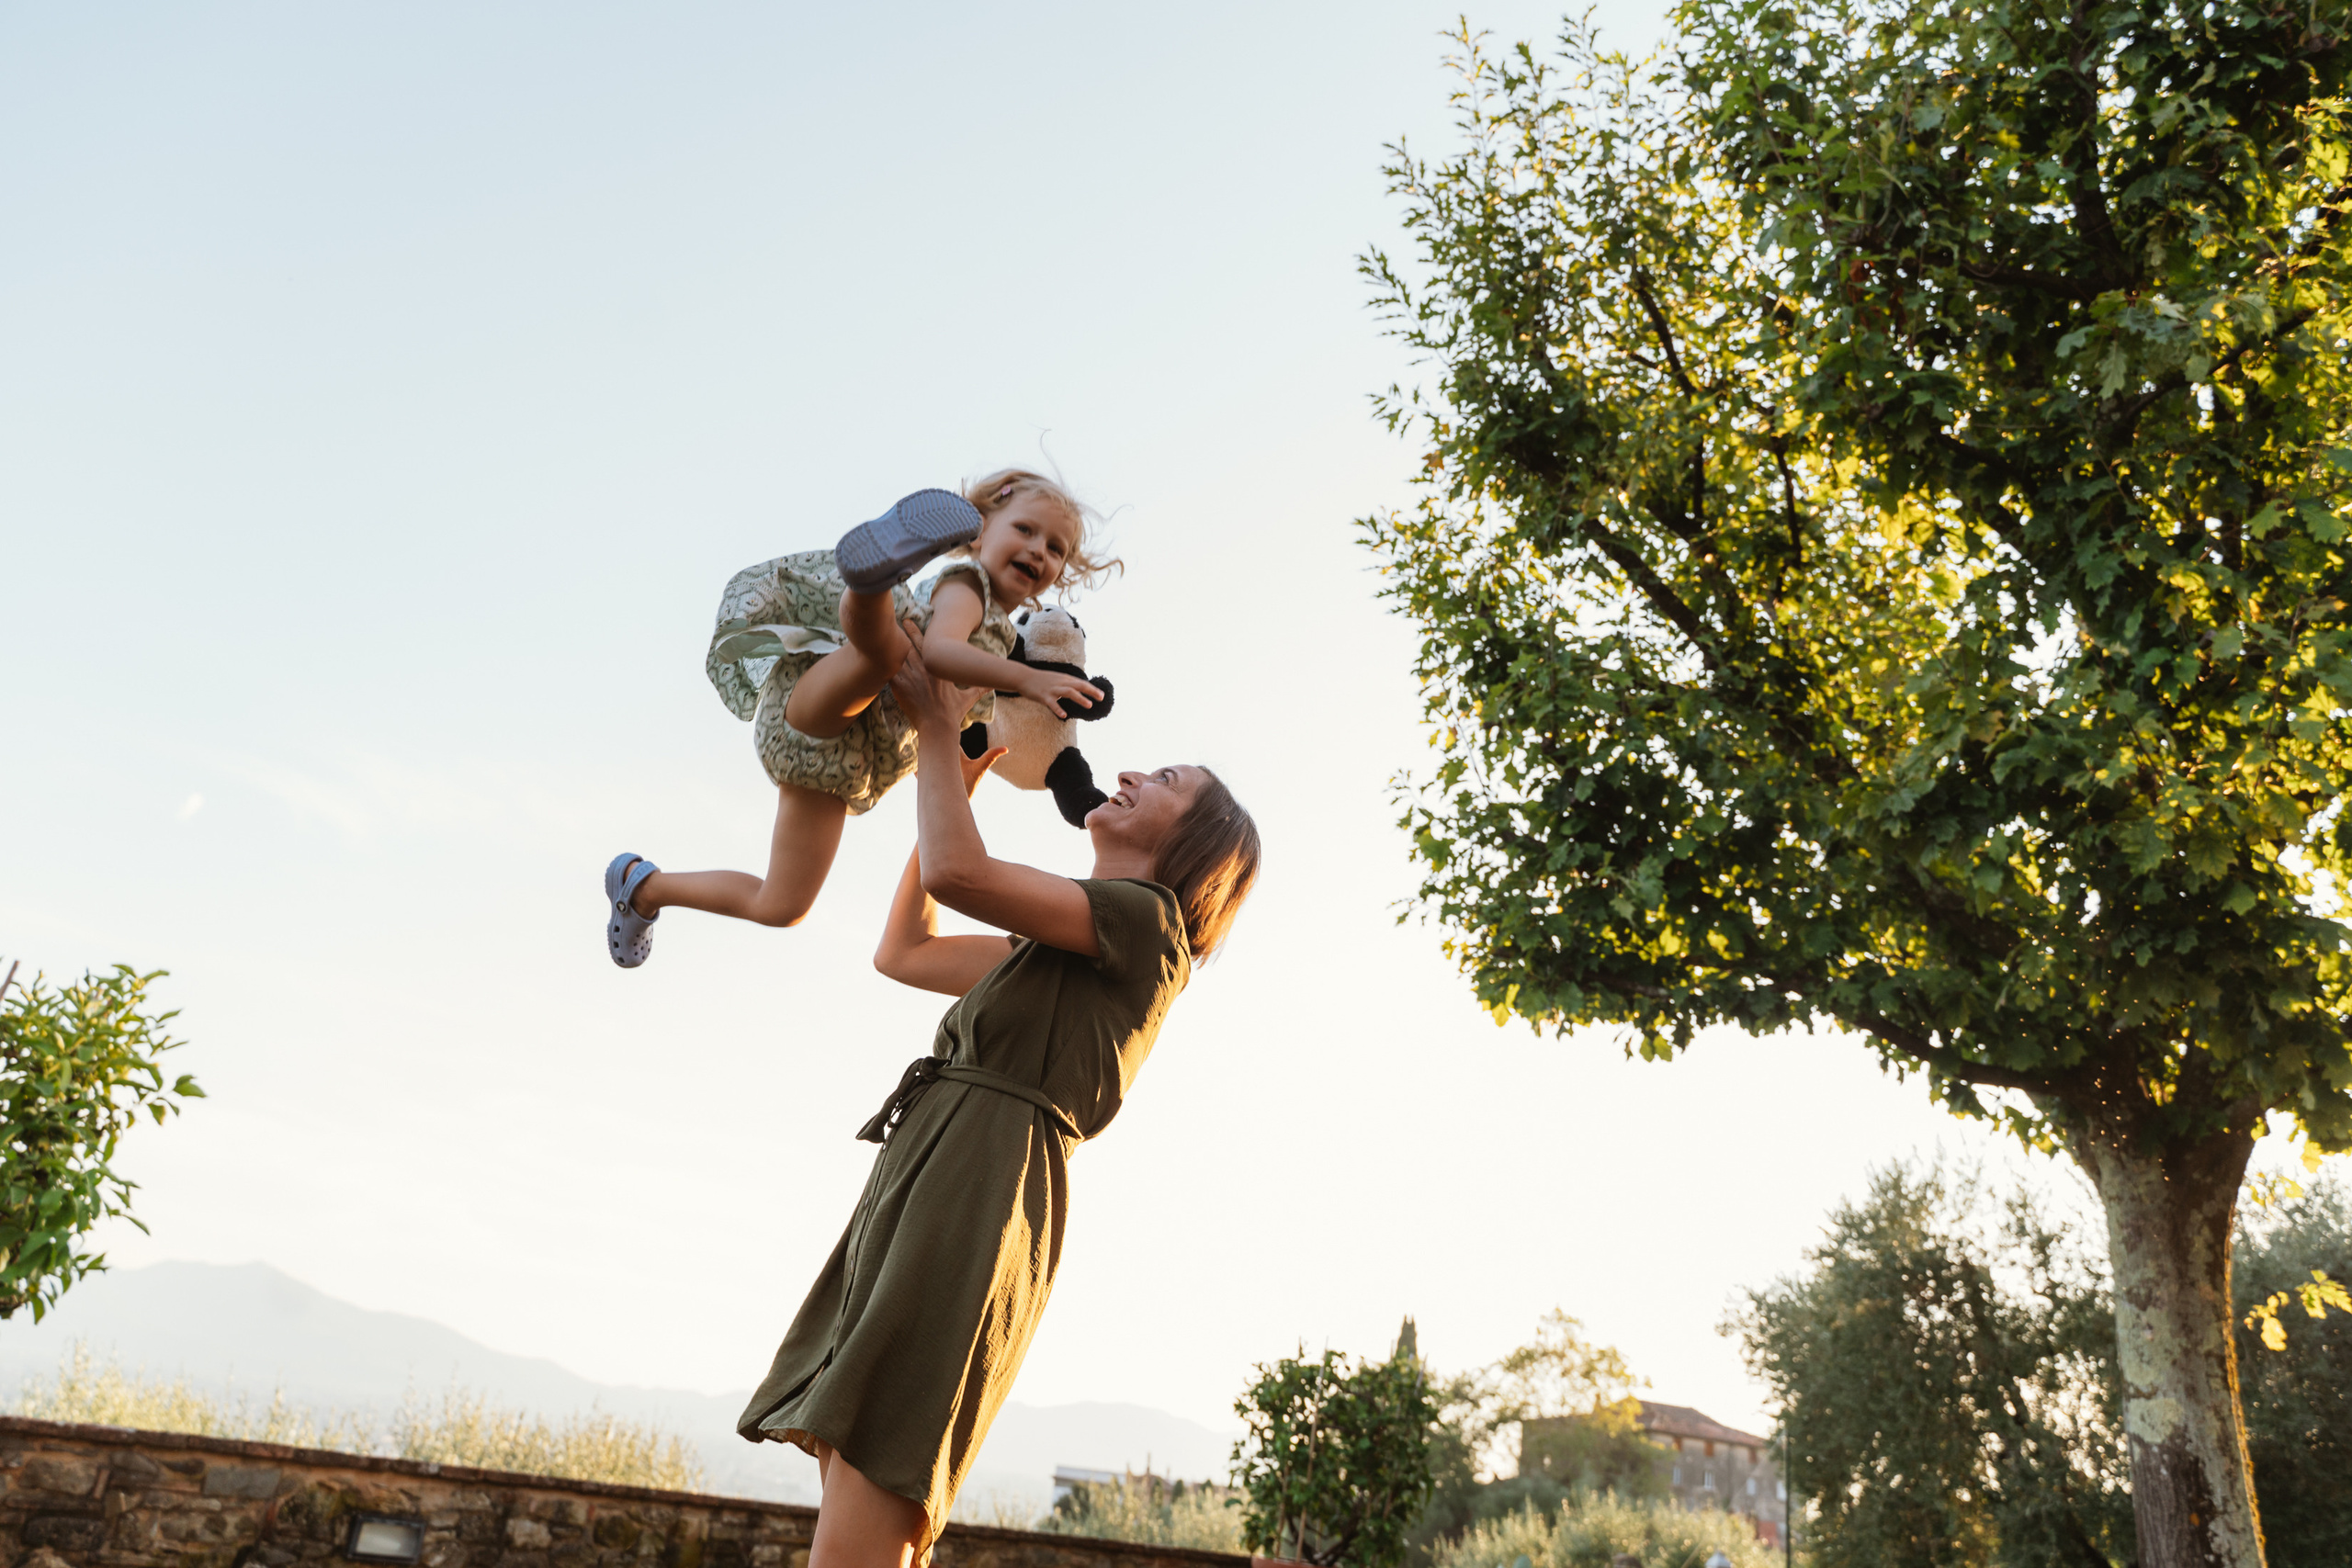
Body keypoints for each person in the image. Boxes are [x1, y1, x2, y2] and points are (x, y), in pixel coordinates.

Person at [735, 641, 1261, 1568]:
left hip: (979, 1186)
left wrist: (939, 731)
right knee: (861, 1461)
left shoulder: (1146, 925)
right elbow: (905, 948)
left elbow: (959, 875)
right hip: (937, 1169)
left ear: (1197, 844)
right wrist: (959, 785)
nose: (1133, 770)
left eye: (1168, 777)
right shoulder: (1060, 948)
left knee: (881, 1458)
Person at [602, 469, 1117, 965]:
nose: (1037, 551)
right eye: (1025, 530)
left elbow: (958, 711)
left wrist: (965, 770)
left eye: (1055, 548)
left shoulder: (1003, 636)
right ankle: (869, 586)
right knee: (891, 650)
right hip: (823, 704)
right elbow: (939, 652)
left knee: (783, 906)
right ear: (979, 530)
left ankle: (644, 888)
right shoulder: (967, 587)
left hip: (838, 765)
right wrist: (1027, 680)